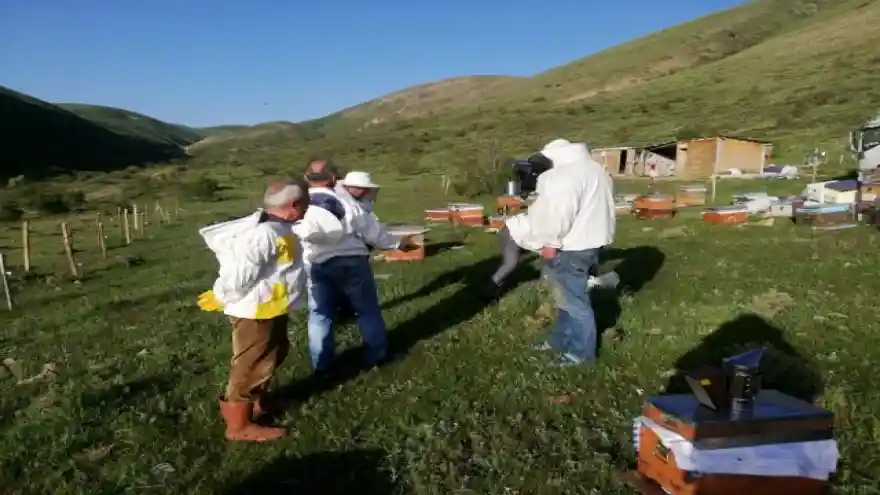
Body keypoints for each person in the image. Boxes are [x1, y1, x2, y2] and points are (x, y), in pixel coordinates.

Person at [196, 179, 342, 441]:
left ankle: (255, 403)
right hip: (254, 312)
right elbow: (240, 274)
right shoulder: (262, 234)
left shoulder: (280, 228)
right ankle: (238, 426)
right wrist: (221, 296)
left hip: (271, 308)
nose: (309, 207)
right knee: (250, 364)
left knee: (273, 354)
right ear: (295, 205)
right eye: (306, 202)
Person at [504, 138, 616, 366]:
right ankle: (560, 341)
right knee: (565, 297)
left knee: (574, 302)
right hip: (592, 242)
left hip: (571, 245)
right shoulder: (594, 169)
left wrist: (549, 242)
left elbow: (558, 213)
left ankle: (581, 355)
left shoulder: (562, 176)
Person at [301, 159, 401, 373]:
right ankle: (377, 355)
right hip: (352, 261)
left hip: (315, 263)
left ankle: (322, 365)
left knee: (320, 313)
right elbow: (374, 234)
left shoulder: (297, 205)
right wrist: (398, 244)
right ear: (335, 178)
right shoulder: (347, 202)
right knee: (367, 310)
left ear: (306, 179)